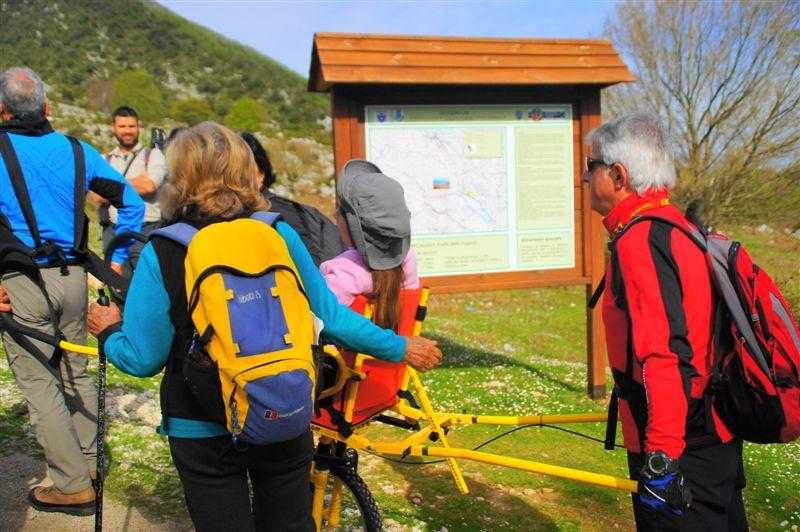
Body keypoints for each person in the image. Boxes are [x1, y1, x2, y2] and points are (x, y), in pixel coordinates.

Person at [86, 122, 441, 531]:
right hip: (282, 405)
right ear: (243, 169)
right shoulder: (278, 232)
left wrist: (109, 331)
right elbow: (331, 318)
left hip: (202, 423)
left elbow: (143, 358)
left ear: (178, 176)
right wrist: (399, 347)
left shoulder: (163, 249)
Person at [583, 113, 747, 530]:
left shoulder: (641, 240)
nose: (585, 179)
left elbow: (665, 353)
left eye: (590, 168)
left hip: (684, 448)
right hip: (712, 433)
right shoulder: (677, 225)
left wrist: (661, 459)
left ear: (617, 175)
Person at [0, 67, 144, 515]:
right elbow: (133, 204)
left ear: (0, 110)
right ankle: (89, 466)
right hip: (74, 280)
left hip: (20, 283)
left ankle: (72, 485)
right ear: (47, 108)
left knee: (40, 383)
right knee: (75, 372)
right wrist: (116, 258)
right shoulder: (78, 151)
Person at [321, 159, 419, 330]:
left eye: (341, 210)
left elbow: (319, 320)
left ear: (354, 227)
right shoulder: (407, 257)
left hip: (346, 356)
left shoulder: (344, 272)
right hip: (399, 352)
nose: (335, 214)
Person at [241, 132, 346, 266]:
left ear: (261, 172)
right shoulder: (232, 212)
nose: (237, 172)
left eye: (244, 165)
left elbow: (309, 266)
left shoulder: (280, 211)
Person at [96, 105, 167, 272]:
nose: (127, 131)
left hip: (146, 230)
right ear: (113, 128)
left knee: (145, 284)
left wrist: (110, 186)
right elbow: (97, 196)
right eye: (122, 126)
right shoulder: (105, 159)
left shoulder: (153, 155)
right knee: (115, 286)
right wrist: (138, 181)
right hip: (113, 231)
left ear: (138, 127)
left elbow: (149, 185)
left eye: (131, 126)